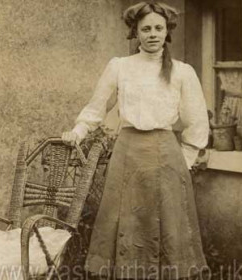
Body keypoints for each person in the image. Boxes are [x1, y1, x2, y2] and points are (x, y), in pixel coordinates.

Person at [62, 2, 209, 279]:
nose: (152, 34)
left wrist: (184, 161)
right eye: (146, 29)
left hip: (167, 155)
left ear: (167, 32)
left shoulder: (182, 71)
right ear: (135, 32)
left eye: (158, 28)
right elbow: (96, 107)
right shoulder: (120, 67)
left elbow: (197, 121)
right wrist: (78, 132)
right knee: (128, 224)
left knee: (168, 228)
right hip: (127, 155)